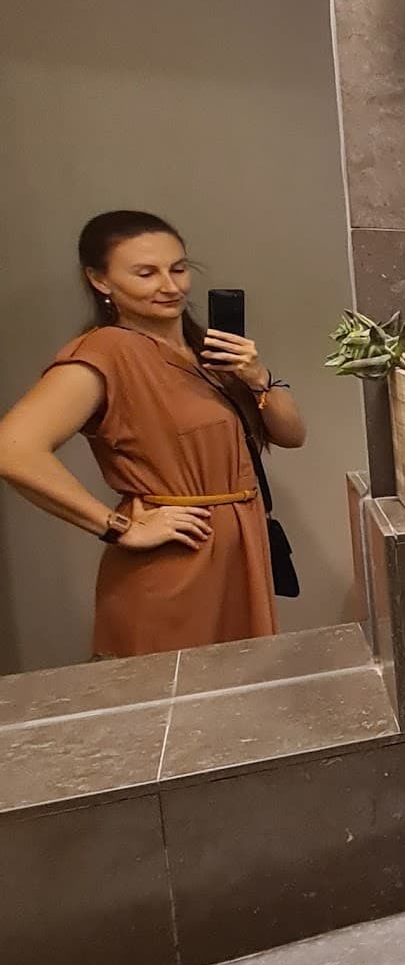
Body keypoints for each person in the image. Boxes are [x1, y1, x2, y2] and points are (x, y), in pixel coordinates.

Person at [0, 210, 307, 658]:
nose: (171, 286)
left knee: (236, 699)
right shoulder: (106, 352)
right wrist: (118, 528)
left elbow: (293, 435)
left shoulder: (208, 351)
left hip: (240, 549)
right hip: (179, 563)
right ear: (100, 281)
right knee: (176, 705)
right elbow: (13, 449)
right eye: (146, 273)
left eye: (179, 269)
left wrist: (257, 377)